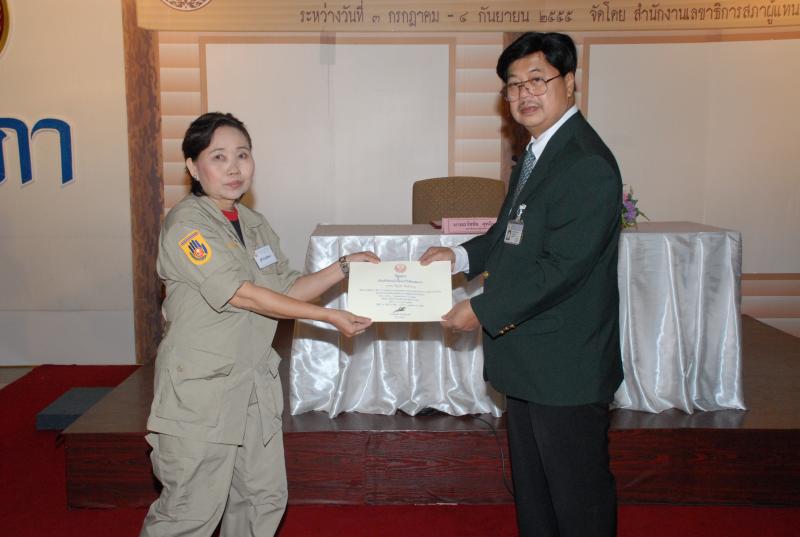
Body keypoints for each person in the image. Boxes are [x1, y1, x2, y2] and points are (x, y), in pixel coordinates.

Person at [420, 32, 623, 537]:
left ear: (569, 82)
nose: (524, 94)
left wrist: (481, 310)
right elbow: (508, 233)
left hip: (565, 364)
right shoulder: (536, 154)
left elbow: (563, 267)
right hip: (531, 358)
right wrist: (458, 257)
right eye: (513, 85)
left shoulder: (586, 163)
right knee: (536, 496)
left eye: (537, 79)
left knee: (576, 500)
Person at [140, 112, 378, 537]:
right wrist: (328, 316)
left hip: (252, 385)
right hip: (202, 390)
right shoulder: (187, 226)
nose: (234, 167)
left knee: (260, 501)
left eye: (242, 155)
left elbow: (288, 288)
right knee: (191, 511)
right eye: (218, 157)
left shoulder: (253, 224)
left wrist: (343, 267)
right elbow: (243, 294)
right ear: (193, 166)